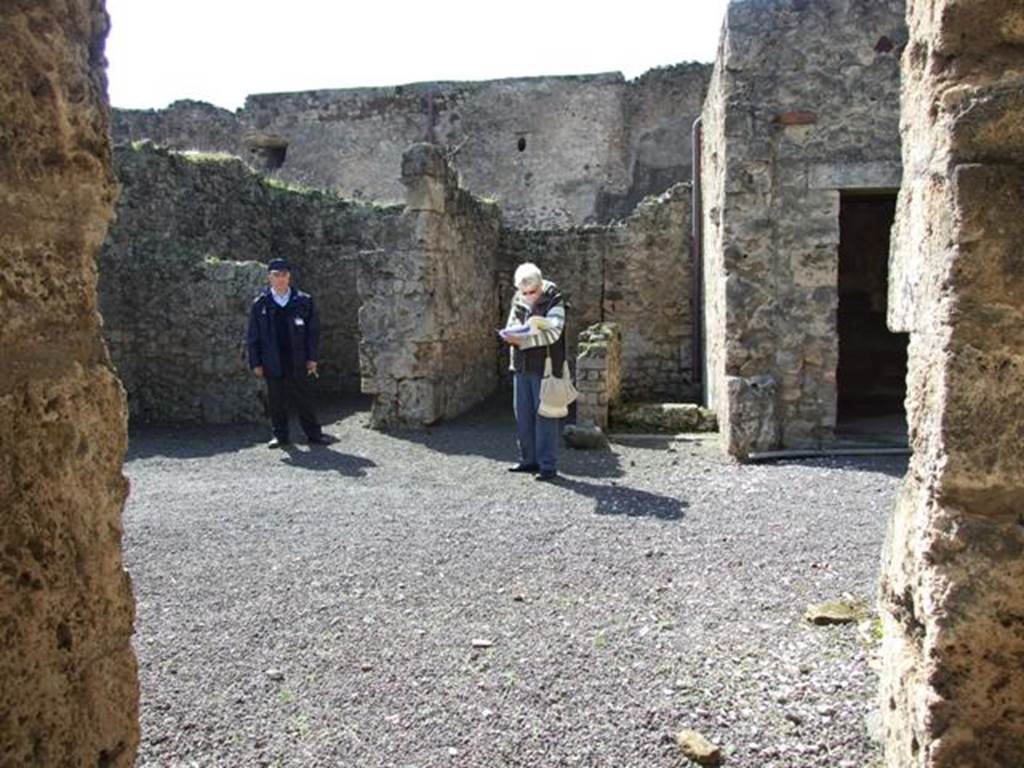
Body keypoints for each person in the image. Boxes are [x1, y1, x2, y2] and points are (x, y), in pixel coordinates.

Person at [247, 258, 331, 448]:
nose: (280, 279)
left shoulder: (303, 301)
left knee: (304, 398)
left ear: (289, 276)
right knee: (276, 401)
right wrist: (256, 362)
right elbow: (254, 336)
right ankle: (281, 436)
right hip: (272, 359)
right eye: (276, 275)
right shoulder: (260, 304)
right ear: (269, 277)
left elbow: (313, 332)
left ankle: (314, 435)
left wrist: (312, 358)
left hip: (298, 358)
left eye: (284, 274)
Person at [501, 262, 567, 481]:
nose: (529, 296)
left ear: (540, 285)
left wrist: (523, 340)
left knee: (546, 415)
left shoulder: (554, 297)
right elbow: (512, 324)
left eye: (533, 292)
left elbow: (555, 332)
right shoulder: (519, 296)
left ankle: (548, 466)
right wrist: (513, 336)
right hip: (521, 365)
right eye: (525, 292)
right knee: (523, 415)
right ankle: (528, 460)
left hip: (545, 367)